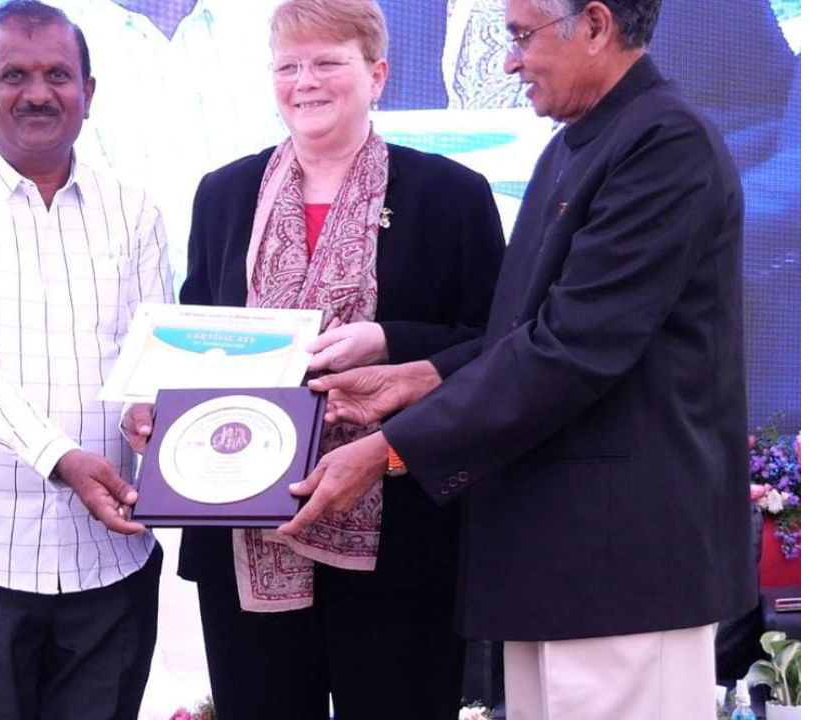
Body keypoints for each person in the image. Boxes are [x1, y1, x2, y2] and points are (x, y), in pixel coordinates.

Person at [289, 1, 755, 717]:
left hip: (622, 568)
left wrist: (387, 453)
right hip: (555, 565)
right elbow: (529, 328)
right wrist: (420, 378)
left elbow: (571, 351)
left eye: (519, 37)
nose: (509, 62)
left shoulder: (665, 145)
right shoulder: (581, 142)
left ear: (595, 24)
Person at [122, 1, 506, 717]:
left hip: (400, 523)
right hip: (243, 534)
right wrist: (159, 410)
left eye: (328, 61)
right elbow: (198, 333)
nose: (306, 81)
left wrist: (391, 339)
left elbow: (500, 344)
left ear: (378, 74)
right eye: (288, 66)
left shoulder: (451, 195)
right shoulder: (223, 195)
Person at [0, 2, 172, 718]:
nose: (39, 93)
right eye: (14, 74)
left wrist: (154, 414)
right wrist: (62, 458)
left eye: (58, 75)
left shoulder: (134, 209)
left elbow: (152, 355)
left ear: (89, 91)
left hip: (109, 559)